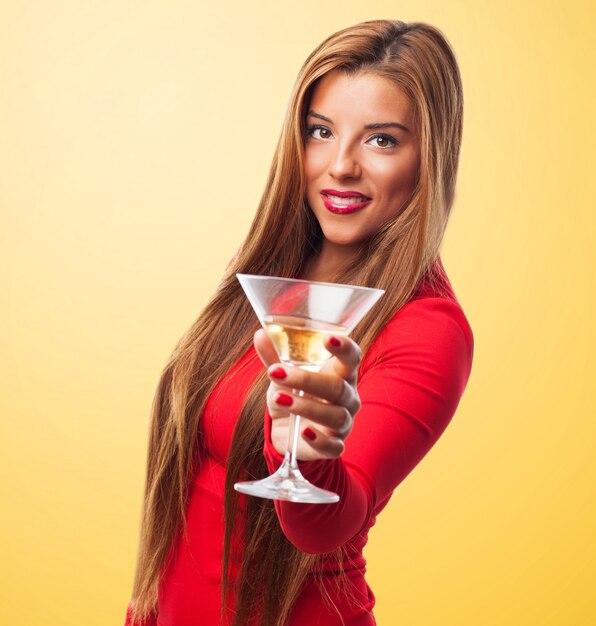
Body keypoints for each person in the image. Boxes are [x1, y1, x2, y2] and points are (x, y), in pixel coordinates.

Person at [124, 18, 474, 626]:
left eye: (382, 140)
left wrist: (308, 453)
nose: (340, 165)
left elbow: (329, 524)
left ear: (429, 157)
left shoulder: (429, 327)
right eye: (321, 131)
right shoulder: (265, 267)